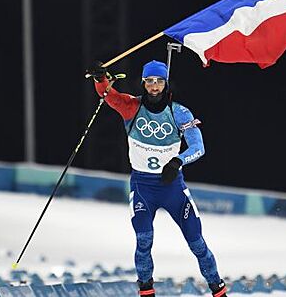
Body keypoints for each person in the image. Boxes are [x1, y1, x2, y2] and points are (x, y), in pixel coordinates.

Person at [87, 60, 228, 297]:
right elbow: (108, 95)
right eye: (150, 81)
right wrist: (100, 78)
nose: (154, 86)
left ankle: (218, 289)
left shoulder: (179, 112)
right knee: (144, 240)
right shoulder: (131, 106)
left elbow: (198, 146)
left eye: (159, 81)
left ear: (166, 83)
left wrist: (177, 161)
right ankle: (146, 291)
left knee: (197, 243)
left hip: (172, 188)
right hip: (143, 187)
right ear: (143, 83)